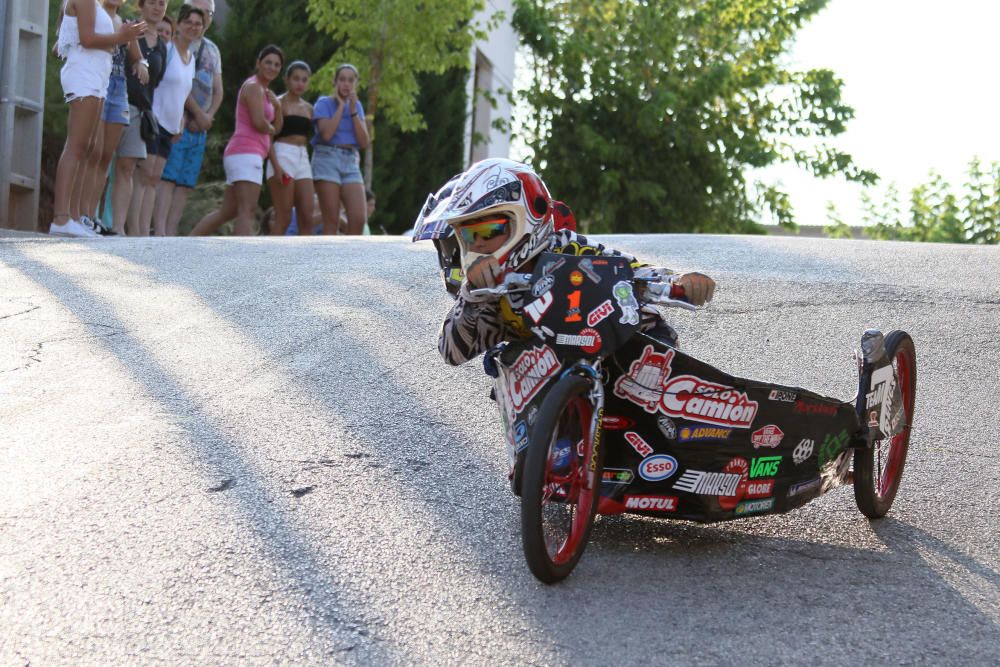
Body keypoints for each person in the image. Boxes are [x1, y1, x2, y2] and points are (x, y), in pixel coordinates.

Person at [411, 159, 716, 366]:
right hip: (543, 368)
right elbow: (451, 353)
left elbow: (630, 268)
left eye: (488, 231)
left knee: (649, 350)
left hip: (621, 344)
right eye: (466, 236)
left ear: (524, 219)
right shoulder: (485, 292)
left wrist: (679, 282)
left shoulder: (567, 248)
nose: (475, 245)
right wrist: (473, 294)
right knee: (506, 362)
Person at [50, 0, 146, 237]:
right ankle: (61, 218)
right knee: (76, 146)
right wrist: (121, 36)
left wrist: (123, 36)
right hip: (84, 75)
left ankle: (74, 217)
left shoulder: (97, 3)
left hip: (97, 76)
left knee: (88, 147)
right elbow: (88, 39)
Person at [190, 45, 284, 236]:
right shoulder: (253, 87)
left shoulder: (265, 92)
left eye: (276, 65)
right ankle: (241, 258)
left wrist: (278, 108)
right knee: (247, 210)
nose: (272, 67)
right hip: (246, 153)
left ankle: (188, 242)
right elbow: (259, 123)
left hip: (245, 155)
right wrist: (270, 128)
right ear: (258, 63)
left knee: (229, 211)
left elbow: (277, 128)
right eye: (268, 62)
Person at [78, 0, 149, 236]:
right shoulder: (96, 16)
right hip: (98, 84)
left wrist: (141, 64)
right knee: (92, 152)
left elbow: (137, 55)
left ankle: (91, 215)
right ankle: (81, 214)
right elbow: (80, 36)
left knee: (105, 157)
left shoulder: (124, 23)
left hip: (119, 90)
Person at [132, 6, 203, 236]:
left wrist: (181, 118)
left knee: (154, 179)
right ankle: (134, 230)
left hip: (172, 125)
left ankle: (145, 231)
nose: (193, 27)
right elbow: (154, 83)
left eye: (198, 24)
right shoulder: (167, 50)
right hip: (154, 119)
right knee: (143, 175)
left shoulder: (191, 58)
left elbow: (182, 93)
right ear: (179, 25)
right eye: (189, 22)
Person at [155, 0, 224, 236]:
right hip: (179, 119)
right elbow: (180, 86)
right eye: (198, 13)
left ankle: (172, 231)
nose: (202, 20)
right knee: (168, 176)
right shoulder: (179, 46)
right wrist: (196, 114)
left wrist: (208, 117)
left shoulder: (212, 49)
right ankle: (160, 228)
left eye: (207, 14)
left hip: (201, 126)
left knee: (185, 181)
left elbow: (219, 89)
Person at [114, 0, 168, 235]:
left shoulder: (163, 47)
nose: (158, 7)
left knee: (128, 168)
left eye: (162, 3)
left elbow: (154, 82)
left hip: (140, 110)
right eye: (153, 2)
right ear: (141, 6)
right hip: (116, 101)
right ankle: (90, 219)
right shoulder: (129, 29)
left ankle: (120, 228)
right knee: (100, 160)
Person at [311, 63, 370, 235]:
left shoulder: (357, 106)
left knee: (358, 220)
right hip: (327, 157)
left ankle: (350, 260)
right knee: (332, 220)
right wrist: (341, 106)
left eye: (351, 80)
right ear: (335, 82)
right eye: (342, 80)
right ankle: (328, 261)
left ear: (355, 84)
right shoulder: (323, 103)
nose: (346, 84)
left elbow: (364, 141)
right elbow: (327, 134)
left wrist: (351, 111)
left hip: (350, 160)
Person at [266, 61, 314, 235]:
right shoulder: (277, 102)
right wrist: (276, 166)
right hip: (282, 153)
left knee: (307, 216)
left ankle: (303, 261)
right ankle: (266, 259)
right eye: (296, 79)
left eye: (304, 80)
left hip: (303, 157)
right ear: (286, 79)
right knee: (284, 216)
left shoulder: (309, 108)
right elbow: (268, 138)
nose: (300, 83)